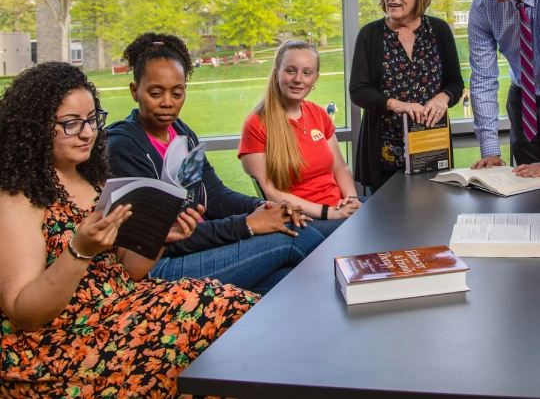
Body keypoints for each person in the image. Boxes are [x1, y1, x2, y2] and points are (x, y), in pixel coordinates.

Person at [0, 62, 258, 398]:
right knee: (224, 312)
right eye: (71, 124)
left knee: (239, 312)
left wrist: (159, 236)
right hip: (62, 344)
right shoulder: (17, 198)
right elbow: (26, 314)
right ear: (34, 129)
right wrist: (79, 252)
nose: (88, 133)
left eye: (93, 120)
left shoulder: (92, 181)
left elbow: (130, 269)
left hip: (121, 310)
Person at [107, 32, 325, 294]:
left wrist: (265, 207)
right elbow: (158, 238)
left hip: (202, 245)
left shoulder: (181, 133)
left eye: (177, 93)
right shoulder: (125, 146)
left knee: (285, 280)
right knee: (295, 239)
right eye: (156, 93)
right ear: (135, 91)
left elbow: (214, 194)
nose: (168, 103)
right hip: (161, 266)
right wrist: (247, 225)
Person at [349, 0, 464, 193]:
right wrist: (395, 104)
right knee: (386, 226)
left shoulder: (439, 30)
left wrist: (443, 98)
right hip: (384, 157)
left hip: (431, 149)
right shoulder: (370, 35)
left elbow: (455, 83)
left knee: (434, 223)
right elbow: (358, 90)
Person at [239, 40, 362, 236]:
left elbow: (340, 167)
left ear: (315, 78)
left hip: (339, 205)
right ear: (277, 72)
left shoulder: (319, 113)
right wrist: (328, 212)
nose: (298, 79)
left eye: (307, 73)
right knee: (367, 235)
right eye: (290, 71)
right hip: (302, 218)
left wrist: (352, 199)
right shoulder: (256, 124)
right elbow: (272, 193)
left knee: (389, 219)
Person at [468, 0, 540, 178]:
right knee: (527, 189)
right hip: (524, 103)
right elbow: (484, 79)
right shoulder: (482, 5)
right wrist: (490, 150)